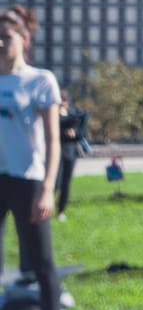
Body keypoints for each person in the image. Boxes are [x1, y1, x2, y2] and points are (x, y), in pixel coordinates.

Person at [0, 6, 65, 310]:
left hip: (29, 180)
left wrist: (47, 187)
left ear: (24, 40)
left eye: (6, 37)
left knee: (41, 264)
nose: (0, 43)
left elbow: (54, 141)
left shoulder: (40, 80)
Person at [55, 90, 88, 220]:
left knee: (65, 183)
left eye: (63, 101)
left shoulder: (74, 116)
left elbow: (82, 133)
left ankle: (60, 210)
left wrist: (74, 133)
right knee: (55, 182)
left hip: (70, 153)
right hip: (55, 153)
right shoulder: (52, 115)